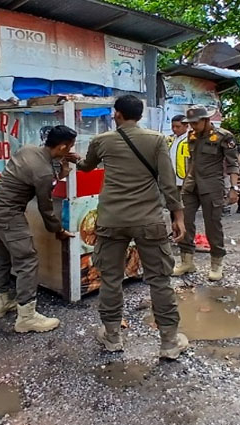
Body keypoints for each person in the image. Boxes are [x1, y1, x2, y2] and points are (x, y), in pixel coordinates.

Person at [73, 95, 188, 360]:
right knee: (159, 280)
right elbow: (168, 183)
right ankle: (169, 342)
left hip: (111, 221)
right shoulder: (157, 140)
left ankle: (113, 337)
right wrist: (178, 217)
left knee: (111, 279)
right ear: (140, 114)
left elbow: (86, 167)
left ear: (117, 114)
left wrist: (73, 159)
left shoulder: (101, 141)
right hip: (149, 220)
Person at [0, 125, 76, 333]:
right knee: (27, 260)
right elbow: (46, 207)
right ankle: (27, 316)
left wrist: (59, 165)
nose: (70, 151)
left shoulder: (28, 149)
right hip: (8, 214)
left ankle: (0, 301)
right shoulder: (43, 172)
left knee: (1, 255)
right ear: (62, 146)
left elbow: (33, 174)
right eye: (69, 147)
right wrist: (57, 230)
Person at [172, 105, 239, 281]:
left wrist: (234, 188)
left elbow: (233, 163)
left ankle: (216, 263)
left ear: (206, 120)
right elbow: (191, 161)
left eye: (195, 123)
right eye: (190, 123)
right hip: (191, 185)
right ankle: (187, 261)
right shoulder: (191, 135)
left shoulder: (224, 137)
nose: (192, 126)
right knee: (184, 222)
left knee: (213, 226)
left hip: (212, 186)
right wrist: (185, 181)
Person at [167, 114, 190, 190]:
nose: (174, 129)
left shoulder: (190, 140)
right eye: (173, 127)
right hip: (171, 178)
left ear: (186, 126)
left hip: (185, 178)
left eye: (178, 127)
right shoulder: (170, 139)